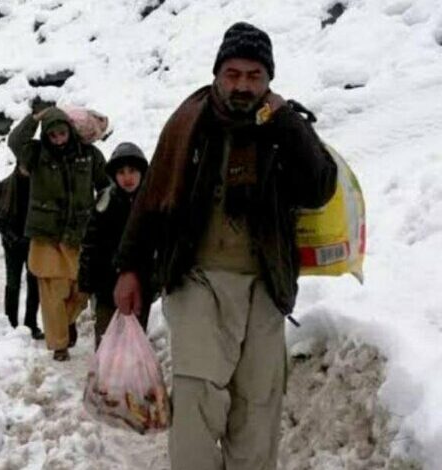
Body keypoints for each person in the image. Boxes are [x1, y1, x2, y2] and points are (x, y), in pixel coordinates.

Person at [113, 22, 337, 470]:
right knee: (197, 397)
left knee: (258, 405)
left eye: (254, 76)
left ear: (268, 79)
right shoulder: (189, 122)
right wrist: (130, 267)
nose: (242, 85)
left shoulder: (282, 126)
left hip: (263, 286)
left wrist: (287, 121)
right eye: (233, 74)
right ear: (218, 73)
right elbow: (153, 197)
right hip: (197, 279)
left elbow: (319, 187)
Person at [8, 106, 108, 361]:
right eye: (52, 136)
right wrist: (35, 118)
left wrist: (104, 214)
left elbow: (105, 186)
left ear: (70, 132)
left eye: (62, 134)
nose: (58, 140)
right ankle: (59, 343)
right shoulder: (35, 154)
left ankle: (68, 321)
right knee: (53, 293)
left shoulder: (90, 155)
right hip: (47, 236)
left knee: (81, 290)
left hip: (79, 234)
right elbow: (15, 141)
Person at [79, 142, 151, 349]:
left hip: (140, 288)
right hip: (106, 288)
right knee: (106, 340)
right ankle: (106, 380)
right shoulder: (105, 202)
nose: (127, 177)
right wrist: (86, 281)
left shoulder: (150, 203)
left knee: (134, 340)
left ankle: (131, 379)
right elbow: (90, 243)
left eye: (133, 171)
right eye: (121, 172)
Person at [0, 165, 45, 340]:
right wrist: (13, 239)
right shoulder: (6, 185)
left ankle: (31, 324)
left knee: (34, 285)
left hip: (34, 243)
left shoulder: (41, 185)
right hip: (12, 245)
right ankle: (10, 324)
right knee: (13, 283)